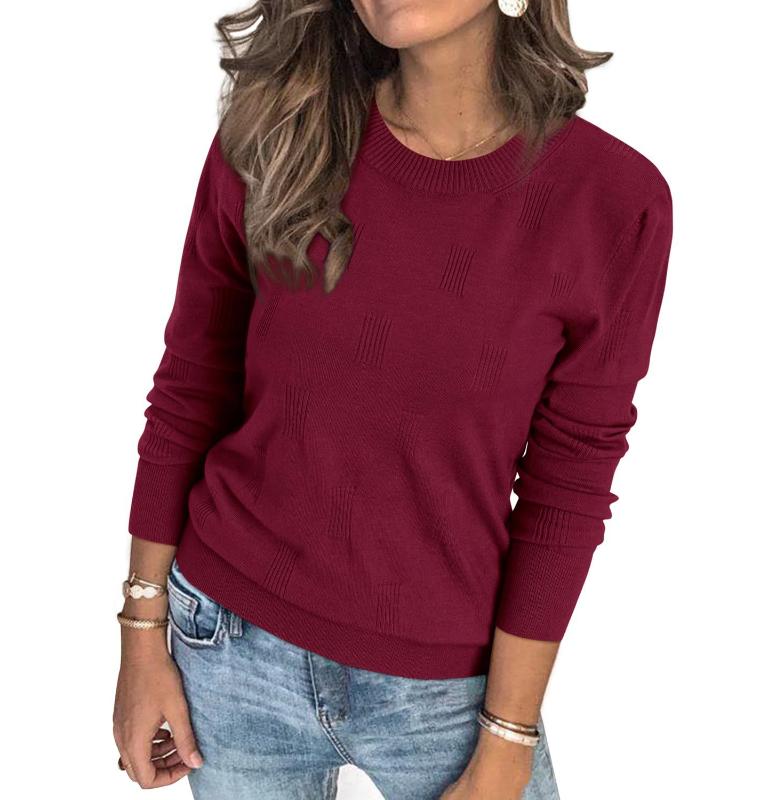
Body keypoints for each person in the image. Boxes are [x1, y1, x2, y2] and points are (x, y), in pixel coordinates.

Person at [112, 1, 673, 798]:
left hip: (449, 692)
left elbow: (569, 483)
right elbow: (191, 384)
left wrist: (509, 734)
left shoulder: (612, 201)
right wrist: (142, 632)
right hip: (228, 646)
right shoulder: (280, 131)